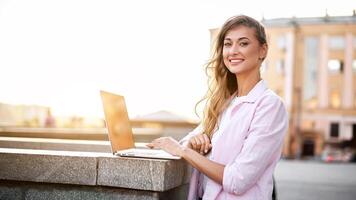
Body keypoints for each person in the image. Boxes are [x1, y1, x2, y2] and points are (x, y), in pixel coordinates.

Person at [147, 15, 288, 200]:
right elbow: (187, 141)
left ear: (262, 50)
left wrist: (183, 151)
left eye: (243, 43)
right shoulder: (225, 103)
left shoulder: (270, 105)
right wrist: (194, 142)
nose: (233, 51)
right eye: (228, 44)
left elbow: (237, 180)